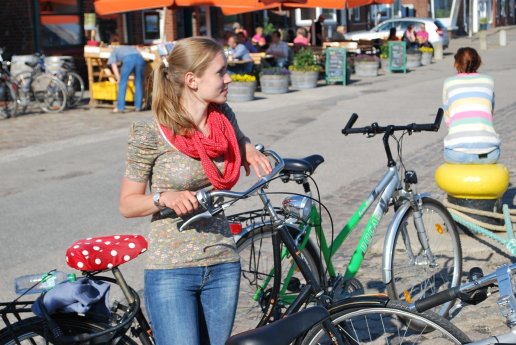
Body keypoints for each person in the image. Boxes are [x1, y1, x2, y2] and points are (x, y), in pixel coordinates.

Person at [119, 37, 272, 345]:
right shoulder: (152, 133)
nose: (228, 78)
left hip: (222, 261)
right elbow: (127, 204)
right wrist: (164, 198)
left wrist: (248, 149)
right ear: (192, 80)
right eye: (221, 72)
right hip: (172, 271)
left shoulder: (223, 118)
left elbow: (236, 138)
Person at [442, 47, 500, 164]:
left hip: (456, 153)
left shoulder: (449, 83)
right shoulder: (488, 81)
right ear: (478, 62)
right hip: (488, 152)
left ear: (457, 63)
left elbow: (448, 119)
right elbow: (490, 111)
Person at [108, 39, 145, 113]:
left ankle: (120, 107)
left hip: (129, 60)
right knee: (138, 83)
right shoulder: (130, 47)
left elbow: (113, 64)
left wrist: (118, 77)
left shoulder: (113, 51)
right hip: (140, 59)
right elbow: (139, 52)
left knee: (122, 83)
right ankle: (138, 106)